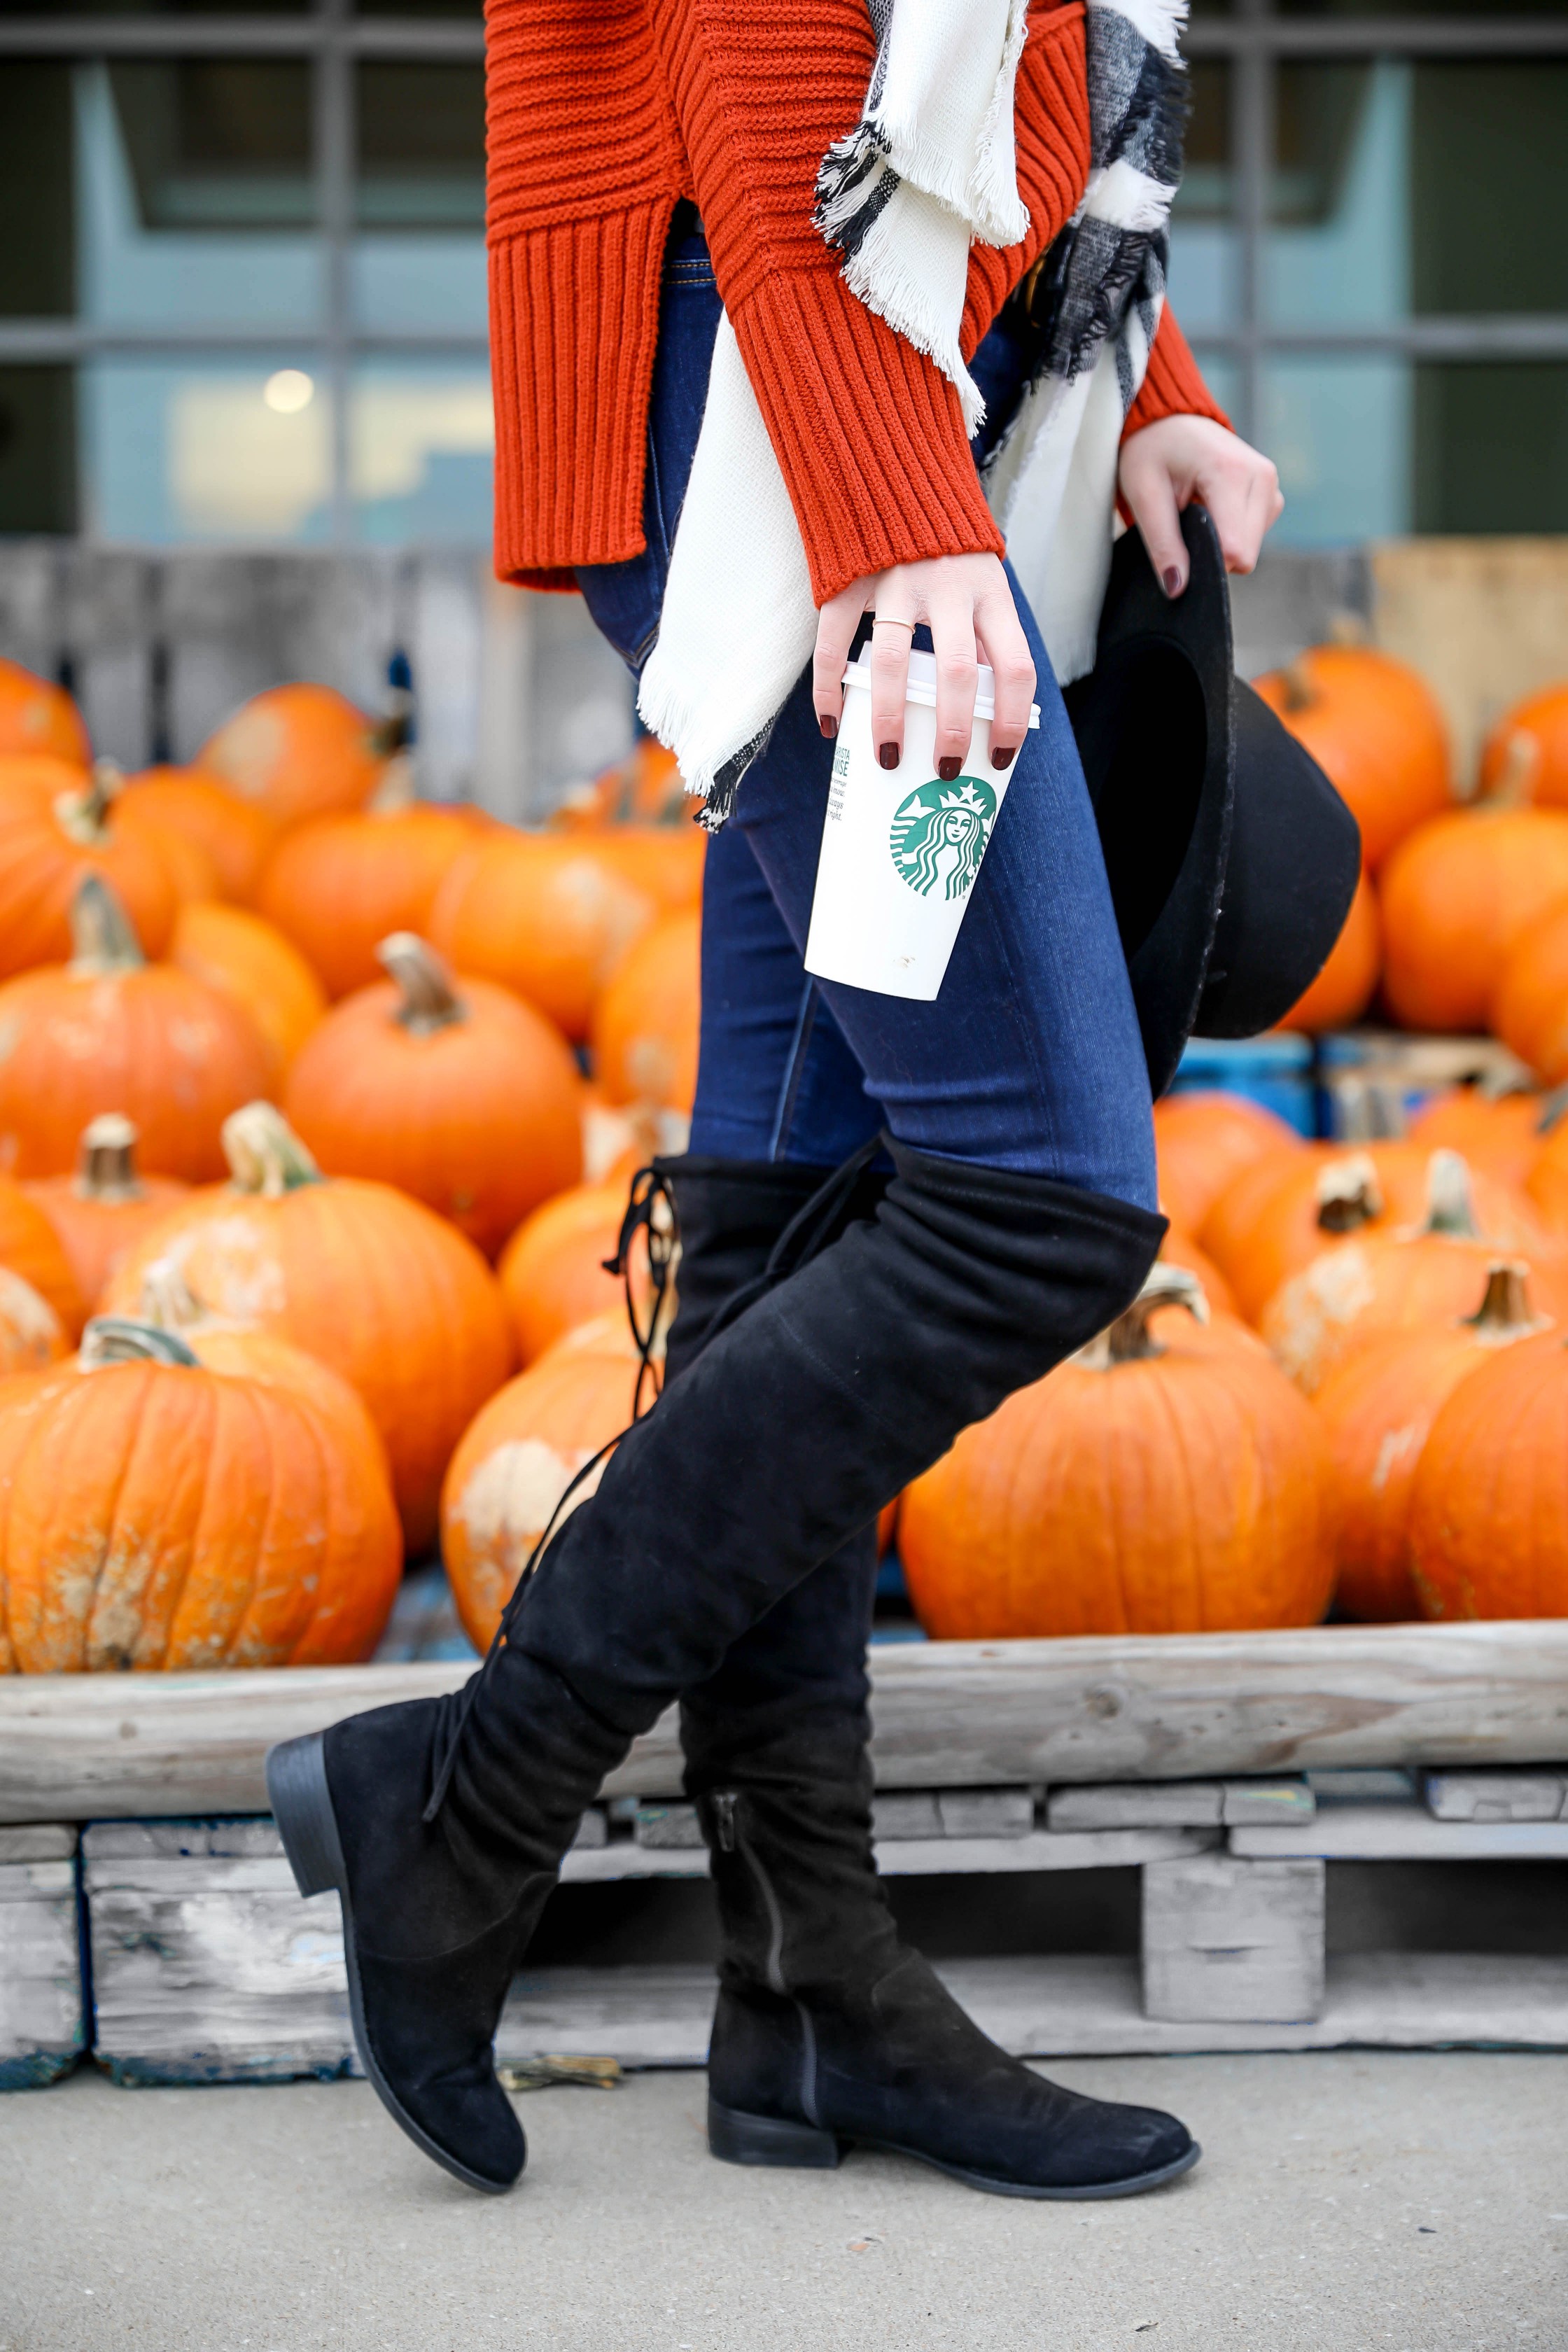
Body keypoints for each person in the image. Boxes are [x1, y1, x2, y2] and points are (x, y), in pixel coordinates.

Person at [268, 0, 1292, 2202]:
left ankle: (807, 1994)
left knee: (797, 1200)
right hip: (785, 371)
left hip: (883, 353)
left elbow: (1015, 53)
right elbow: (769, 37)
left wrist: (1139, 379)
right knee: (1036, 1197)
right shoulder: (838, 425)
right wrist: (879, 496)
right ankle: (471, 1796)